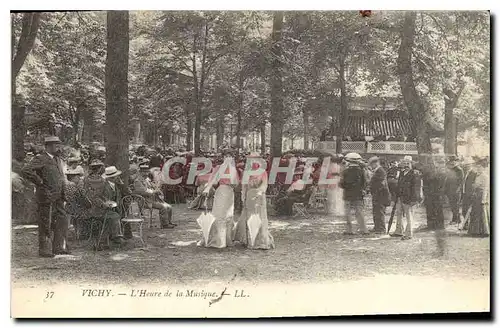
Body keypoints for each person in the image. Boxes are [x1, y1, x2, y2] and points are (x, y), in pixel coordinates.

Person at [22, 136, 69, 257]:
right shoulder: (41, 158)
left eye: (58, 145)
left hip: (59, 195)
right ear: (48, 146)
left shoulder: (58, 159)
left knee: (61, 221)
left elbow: (61, 177)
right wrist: (40, 182)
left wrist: (64, 193)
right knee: (45, 223)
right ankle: (45, 250)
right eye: (55, 145)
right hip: (46, 195)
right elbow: (26, 170)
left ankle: (58, 247)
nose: (58, 147)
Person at [233, 153, 275, 250]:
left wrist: (260, 191)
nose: (253, 161)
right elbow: (244, 186)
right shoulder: (246, 172)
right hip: (249, 197)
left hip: (259, 197)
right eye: (251, 160)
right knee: (249, 218)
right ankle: (249, 240)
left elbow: (265, 185)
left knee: (259, 217)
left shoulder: (263, 172)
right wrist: (243, 196)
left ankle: (260, 241)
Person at [83, 161, 125, 247]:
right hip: (99, 210)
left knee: (116, 215)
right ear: (112, 177)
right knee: (114, 216)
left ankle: (105, 240)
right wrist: (103, 204)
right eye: (117, 176)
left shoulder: (116, 185)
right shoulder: (102, 185)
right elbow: (95, 197)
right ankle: (117, 238)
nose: (118, 177)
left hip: (110, 209)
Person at [199, 158, 238, 248]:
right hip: (225, 191)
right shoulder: (227, 168)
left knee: (227, 215)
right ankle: (220, 240)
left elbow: (215, 180)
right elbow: (214, 180)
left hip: (227, 192)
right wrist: (208, 188)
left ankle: (224, 240)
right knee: (219, 214)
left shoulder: (227, 169)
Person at [134, 165, 175, 229]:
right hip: (145, 201)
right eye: (144, 172)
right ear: (140, 172)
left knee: (169, 207)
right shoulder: (137, 181)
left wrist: (156, 188)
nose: (146, 174)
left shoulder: (147, 180)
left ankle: (168, 222)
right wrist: (154, 191)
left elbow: (153, 187)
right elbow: (143, 192)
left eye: (147, 172)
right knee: (163, 207)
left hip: (153, 199)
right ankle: (164, 224)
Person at [392, 156, 423, 240]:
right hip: (400, 197)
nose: (406, 165)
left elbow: (417, 188)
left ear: (411, 164)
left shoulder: (415, 173)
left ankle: (408, 234)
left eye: (408, 163)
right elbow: (399, 185)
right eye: (404, 163)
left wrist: (414, 199)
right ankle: (398, 231)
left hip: (409, 198)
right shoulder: (401, 173)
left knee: (409, 216)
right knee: (398, 214)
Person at [340, 153, 368, 235]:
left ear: (349, 161)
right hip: (358, 194)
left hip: (348, 194)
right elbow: (364, 183)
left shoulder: (345, 171)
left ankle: (349, 230)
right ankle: (363, 229)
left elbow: (342, 184)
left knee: (348, 213)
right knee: (359, 212)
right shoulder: (361, 171)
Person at [64, 166, 91, 240]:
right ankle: (82, 234)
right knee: (87, 212)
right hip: (74, 208)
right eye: (78, 177)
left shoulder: (66, 184)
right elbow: (80, 198)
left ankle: (77, 233)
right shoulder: (73, 186)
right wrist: (88, 203)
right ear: (73, 177)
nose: (79, 179)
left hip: (68, 207)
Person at [467, 157, 490, 237]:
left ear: (484, 168)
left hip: (481, 196)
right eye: (478, 167)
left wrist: (483, 199)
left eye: (480, 167)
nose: (478, 169)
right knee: (474, 213)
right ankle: (475, 230)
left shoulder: (485, 177)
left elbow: (486, 189)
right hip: (476, 196)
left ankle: (483, 231)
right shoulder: (477, 175)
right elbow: (474, 185)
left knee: (481, 213)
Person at [368, 156, 391, 234]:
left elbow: (381, 184)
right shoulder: (377, 171)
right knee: (376, 212)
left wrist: (374, 190)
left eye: (371, 164)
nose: (370, 166)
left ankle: (381, 229)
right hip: (377, 195)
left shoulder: (380, 171)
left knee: (380, 212)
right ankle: (377, 227)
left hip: (381, 195)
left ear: (376, 163)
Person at [444, 155, 464, 224]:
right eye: (451, 161)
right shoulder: (450, 169)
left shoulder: (459, 170)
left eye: (454, 161)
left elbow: (461, 181)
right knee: (452, 206)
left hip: (456, 190)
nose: (452, 163)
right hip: (450, 190)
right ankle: (456, 219)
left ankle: (456, 220)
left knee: (456, 205)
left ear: (456, 162)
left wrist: (458, 189)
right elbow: (447, 180)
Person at [461, 157, 477, 227]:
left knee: (470, 210)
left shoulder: (474, 173)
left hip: (470, 194)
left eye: (468, 165)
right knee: (464, 210)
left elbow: (474, 184)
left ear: (471, 165)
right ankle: (466, 223)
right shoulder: (465, 172)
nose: (467, 166)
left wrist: (473, 193)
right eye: (466, 165)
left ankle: (470, 224)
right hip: (464, 193)